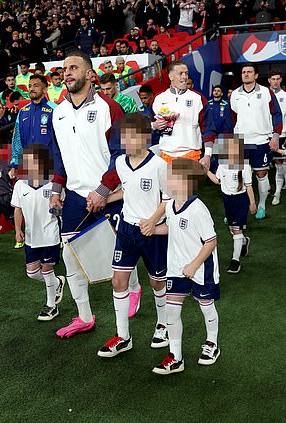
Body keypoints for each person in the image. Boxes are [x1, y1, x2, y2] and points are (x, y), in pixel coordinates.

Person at [49, 51, 128, 338]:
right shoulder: (58, 111)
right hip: (74, 196)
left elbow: (121, 155)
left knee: (117, 259)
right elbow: (59, 155)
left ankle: (132, 292)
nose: (67, 73)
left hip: (109, 196)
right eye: (64, 69)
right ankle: (84, 316)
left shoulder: (110, 108)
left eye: (74, 68)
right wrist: (57, 190)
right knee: (70, 257)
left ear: (90, 74)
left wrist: (103, 190)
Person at [97, 113, 170, 358]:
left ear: (145, 137)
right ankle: (123, 336)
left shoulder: (159, 165)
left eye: (132, 136)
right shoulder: (119, 163)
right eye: (124, 136)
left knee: (157, 282)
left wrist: (152, 220)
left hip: (153, 231)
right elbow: (128, 191)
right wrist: (105, 199)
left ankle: (163, 325)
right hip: (127, 230)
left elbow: (168, 200)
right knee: (118, 281)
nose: (127, 141)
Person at [151, 158, 220, 375]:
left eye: (171, 177)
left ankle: (212, 343)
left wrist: (194, 264)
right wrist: (152, 229)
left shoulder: (198, 209)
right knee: (171, 310)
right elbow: (171, 228)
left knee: (205, 305)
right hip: (176, 267)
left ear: (186, 183)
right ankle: (176, 357)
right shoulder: (170, 205)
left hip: (201, 268)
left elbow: (211, 241)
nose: (167, 180)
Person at [12, 144, 66, 321]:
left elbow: (61, 207)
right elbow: (17, 209)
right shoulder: (20, 185)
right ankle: (57, 283)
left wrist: (56, 210)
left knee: (47, 270)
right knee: (32, 272)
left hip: (50, 234)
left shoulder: (53, 185)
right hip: (31, 236)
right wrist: (18, 230)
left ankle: (51, 306)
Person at [229, 62, 283, 220]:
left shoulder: (266, 92)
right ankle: (239, 206)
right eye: (244, 72)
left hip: (260, 140)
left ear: (256, 75)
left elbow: (277, 114)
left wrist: (275, 135)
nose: (246, 74)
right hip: (240, 141)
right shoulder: (235, 95)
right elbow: (231, 119)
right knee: (238, 176)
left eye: (249, 72)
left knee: (261, 173)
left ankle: (261, 206)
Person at [151, 60, 214, 167]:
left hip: (190, 154)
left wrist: (208, 155)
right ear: (171, 77)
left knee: (189, 185)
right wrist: (154, 125)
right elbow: (147, 124)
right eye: (181, 73)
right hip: (166, 154)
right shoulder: (158, 99)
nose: (185, 77)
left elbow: (208, 128)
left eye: (186, 73)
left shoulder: (198, 98)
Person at [207, 135, 255, 274]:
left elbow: (249, 186)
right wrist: (206, 171)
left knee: (236, 230)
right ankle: (244, 241)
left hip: (241, 200)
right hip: (227, 200)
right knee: (233, 229)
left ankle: (235, 260)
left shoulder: (245, 166)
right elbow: (217, 181)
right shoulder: (222, 166)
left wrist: (252, 203)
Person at [9, 74, 57, 173]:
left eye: (36, 85)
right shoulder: (23, 112)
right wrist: (15, 163)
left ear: (45, 89)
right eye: (30, 86)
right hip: (29, 167)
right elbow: (17, 139)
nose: (32, 88)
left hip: (51, 166)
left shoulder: (55, 109)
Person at [267, 69, 286, 206]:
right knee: (263, 166)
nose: (275, 81)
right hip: (263, 135)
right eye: (273, 79)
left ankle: (277, 193)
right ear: (269, 80)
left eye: (278, 79)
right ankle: (267, 188)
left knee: (280, 163)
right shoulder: (262, 94)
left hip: (281, 134)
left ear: (281, 80)